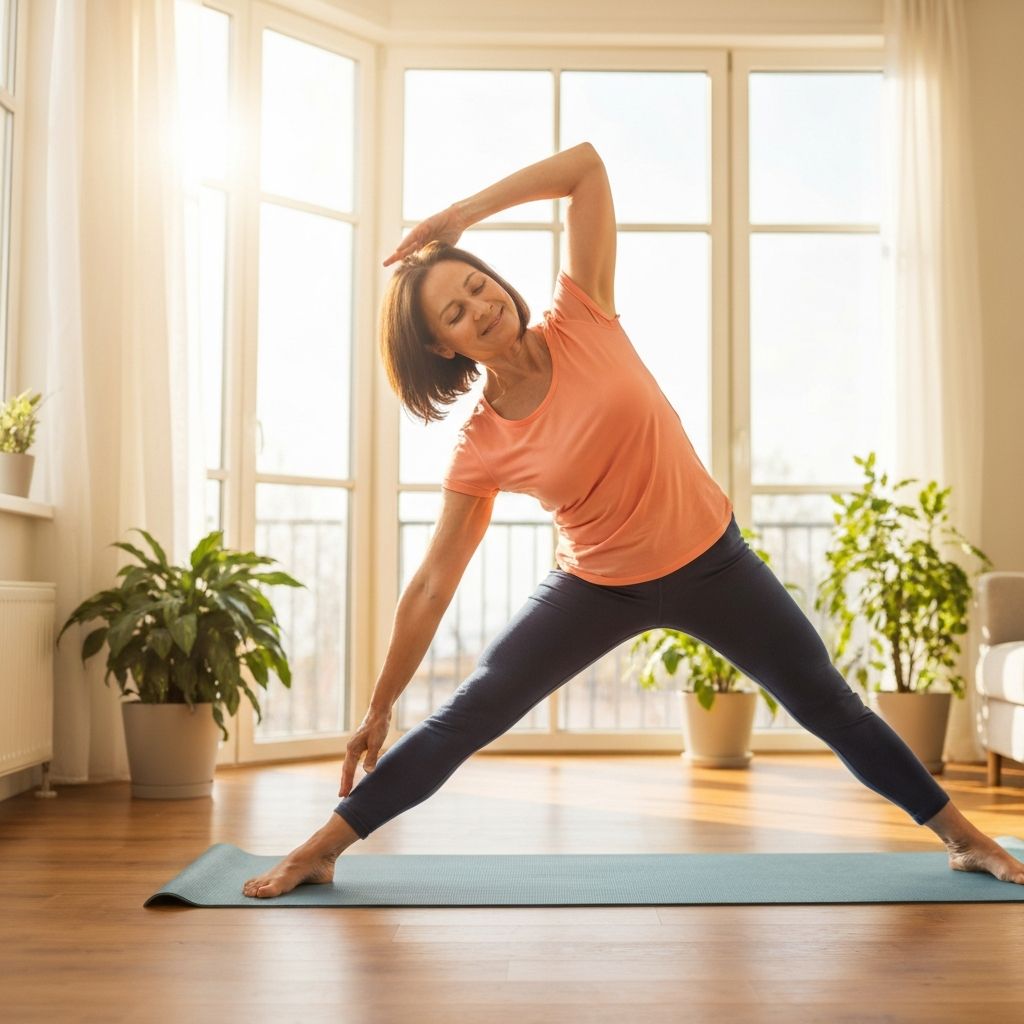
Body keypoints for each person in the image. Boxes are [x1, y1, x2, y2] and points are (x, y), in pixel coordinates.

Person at [243, 143, 1024, 898]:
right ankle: (320, 849)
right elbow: (432, 585)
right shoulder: (481, 446)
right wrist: (377, 707)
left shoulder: (583, 314)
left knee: (830, 703)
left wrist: (459, 216)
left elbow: (585, 168)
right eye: (455, 312)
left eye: (478, 287)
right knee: (468, 714)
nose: (480, 307)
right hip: (598, 585)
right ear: (440, 346)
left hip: (715, 564)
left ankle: (966, 839)